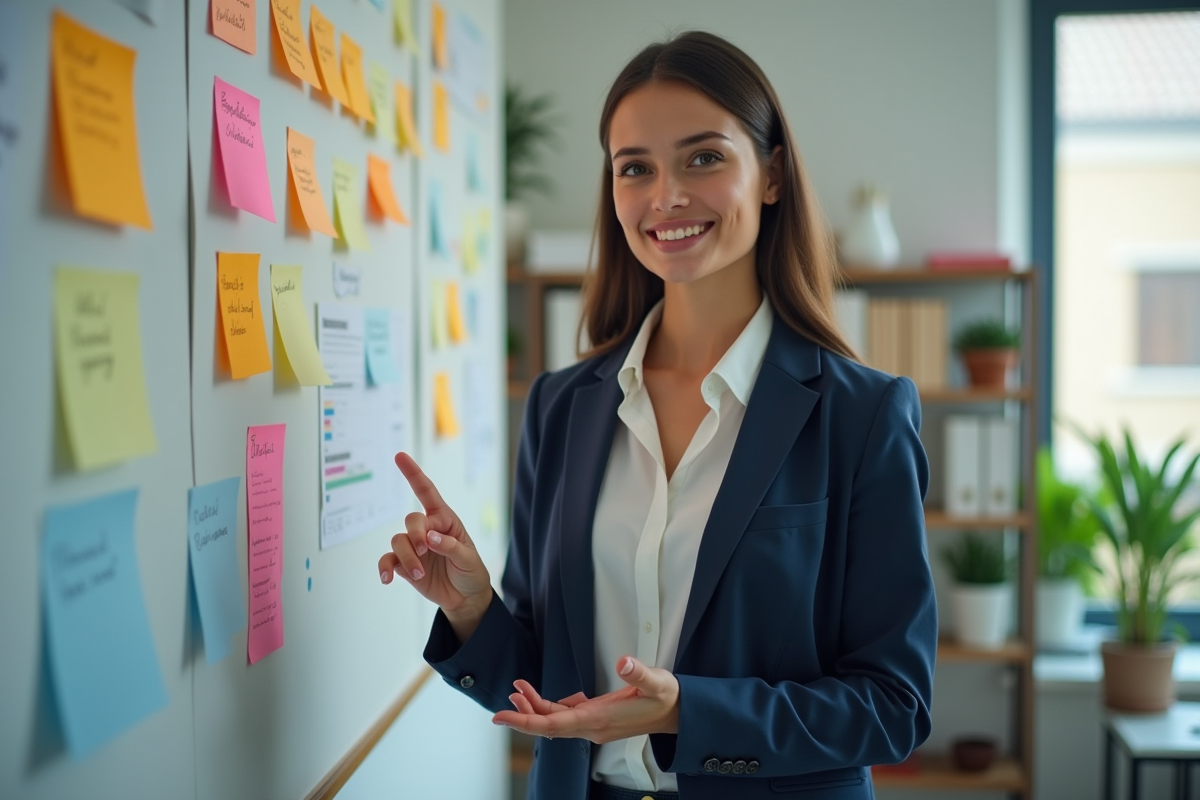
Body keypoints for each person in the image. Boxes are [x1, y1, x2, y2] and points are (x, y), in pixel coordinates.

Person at [379, 30, 936, 800]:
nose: (666, 195)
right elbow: (550, 690)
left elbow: (893, 705)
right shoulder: (560, 407)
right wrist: (474, 610)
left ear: (771, 174)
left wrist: (688, 713)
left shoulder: (862, 415)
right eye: (634, 168)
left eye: (704, 157)